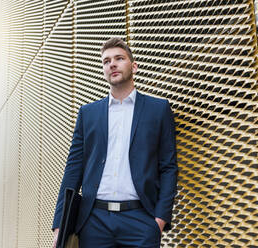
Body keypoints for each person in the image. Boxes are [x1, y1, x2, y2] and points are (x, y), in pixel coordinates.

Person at [52, 37, 178, 248]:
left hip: (141, 220)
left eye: (119, 58)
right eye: (106, 61)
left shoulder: (159, 109)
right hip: (94, 222)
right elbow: (73, 170)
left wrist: (159, 220)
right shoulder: (88, 114)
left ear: (134, 66)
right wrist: (59, 225)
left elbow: (168, 167)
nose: (112, 64)